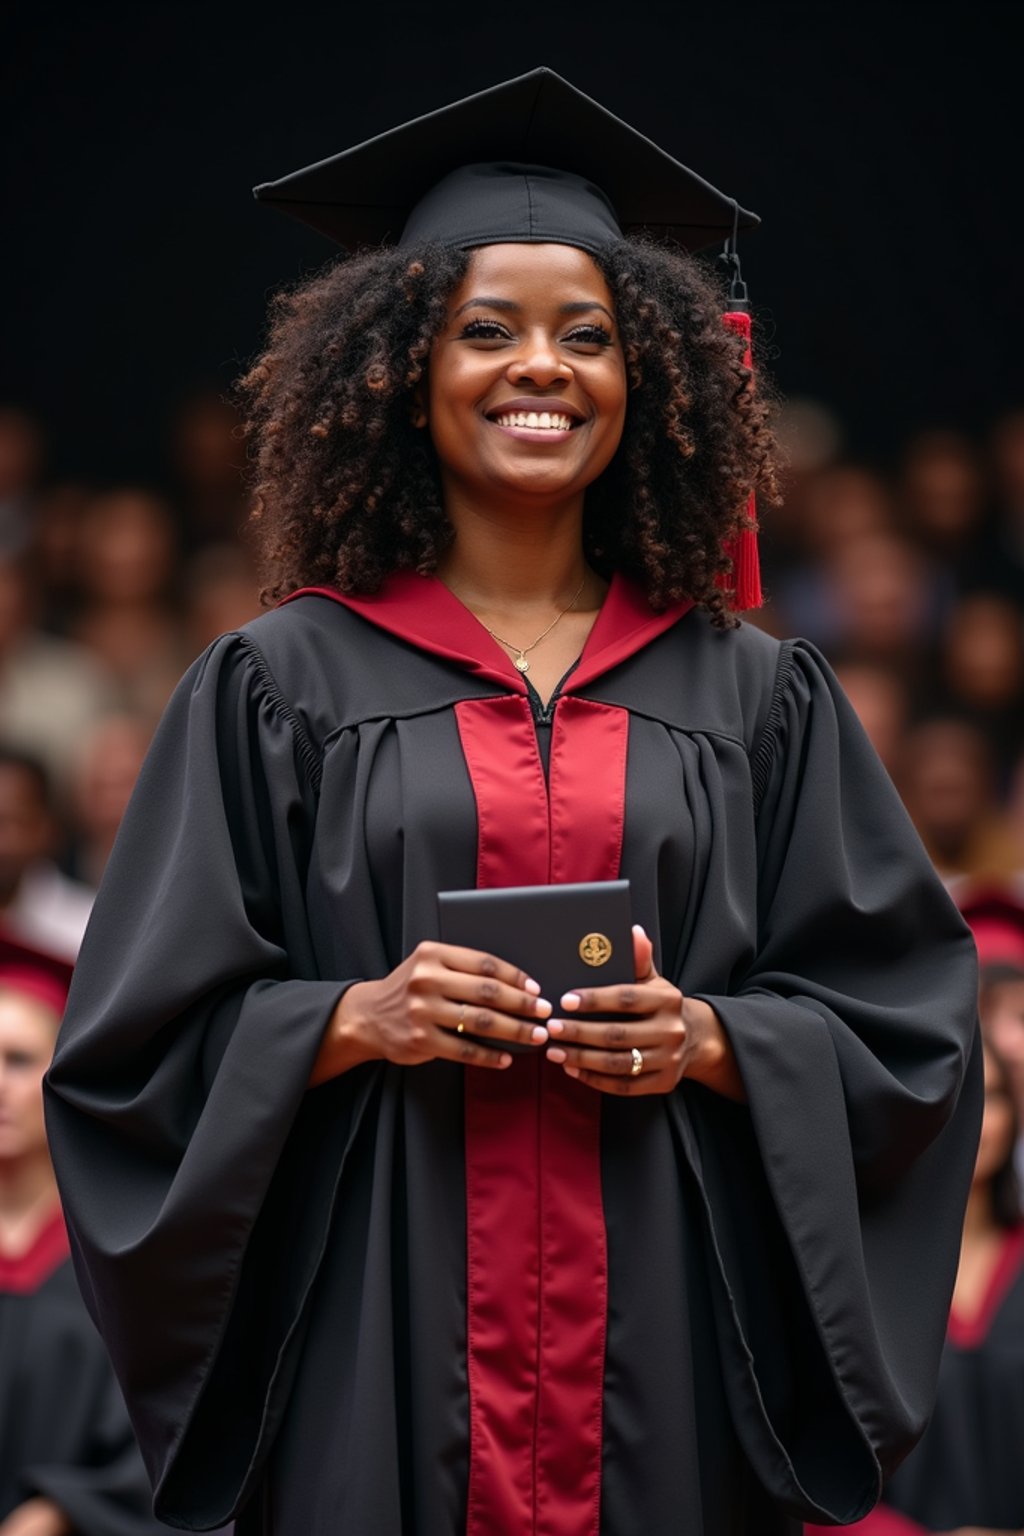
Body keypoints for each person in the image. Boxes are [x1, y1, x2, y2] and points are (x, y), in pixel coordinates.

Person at [44, 68, 981, 1536]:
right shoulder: (275, 686)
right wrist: (351, 1020)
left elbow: (909, 1029)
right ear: (403, 370)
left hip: (665, 1362)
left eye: (587, 335)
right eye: (486, 329)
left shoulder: (756, 697)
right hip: (382, 1350)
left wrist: (717, 1039)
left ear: (653, 376)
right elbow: (129, 1059)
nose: (538, 367)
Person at [806, 1038, 1024, 1535]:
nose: (973, 1120)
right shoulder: (858, 1271)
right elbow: (815, 1463)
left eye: (993, 1097)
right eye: (952, 1097)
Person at [0, 932, 173, 1535]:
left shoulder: (123, 1253)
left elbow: (164, 1434)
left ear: (63, 1073)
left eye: (18, 1061)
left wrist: (61, 1510)